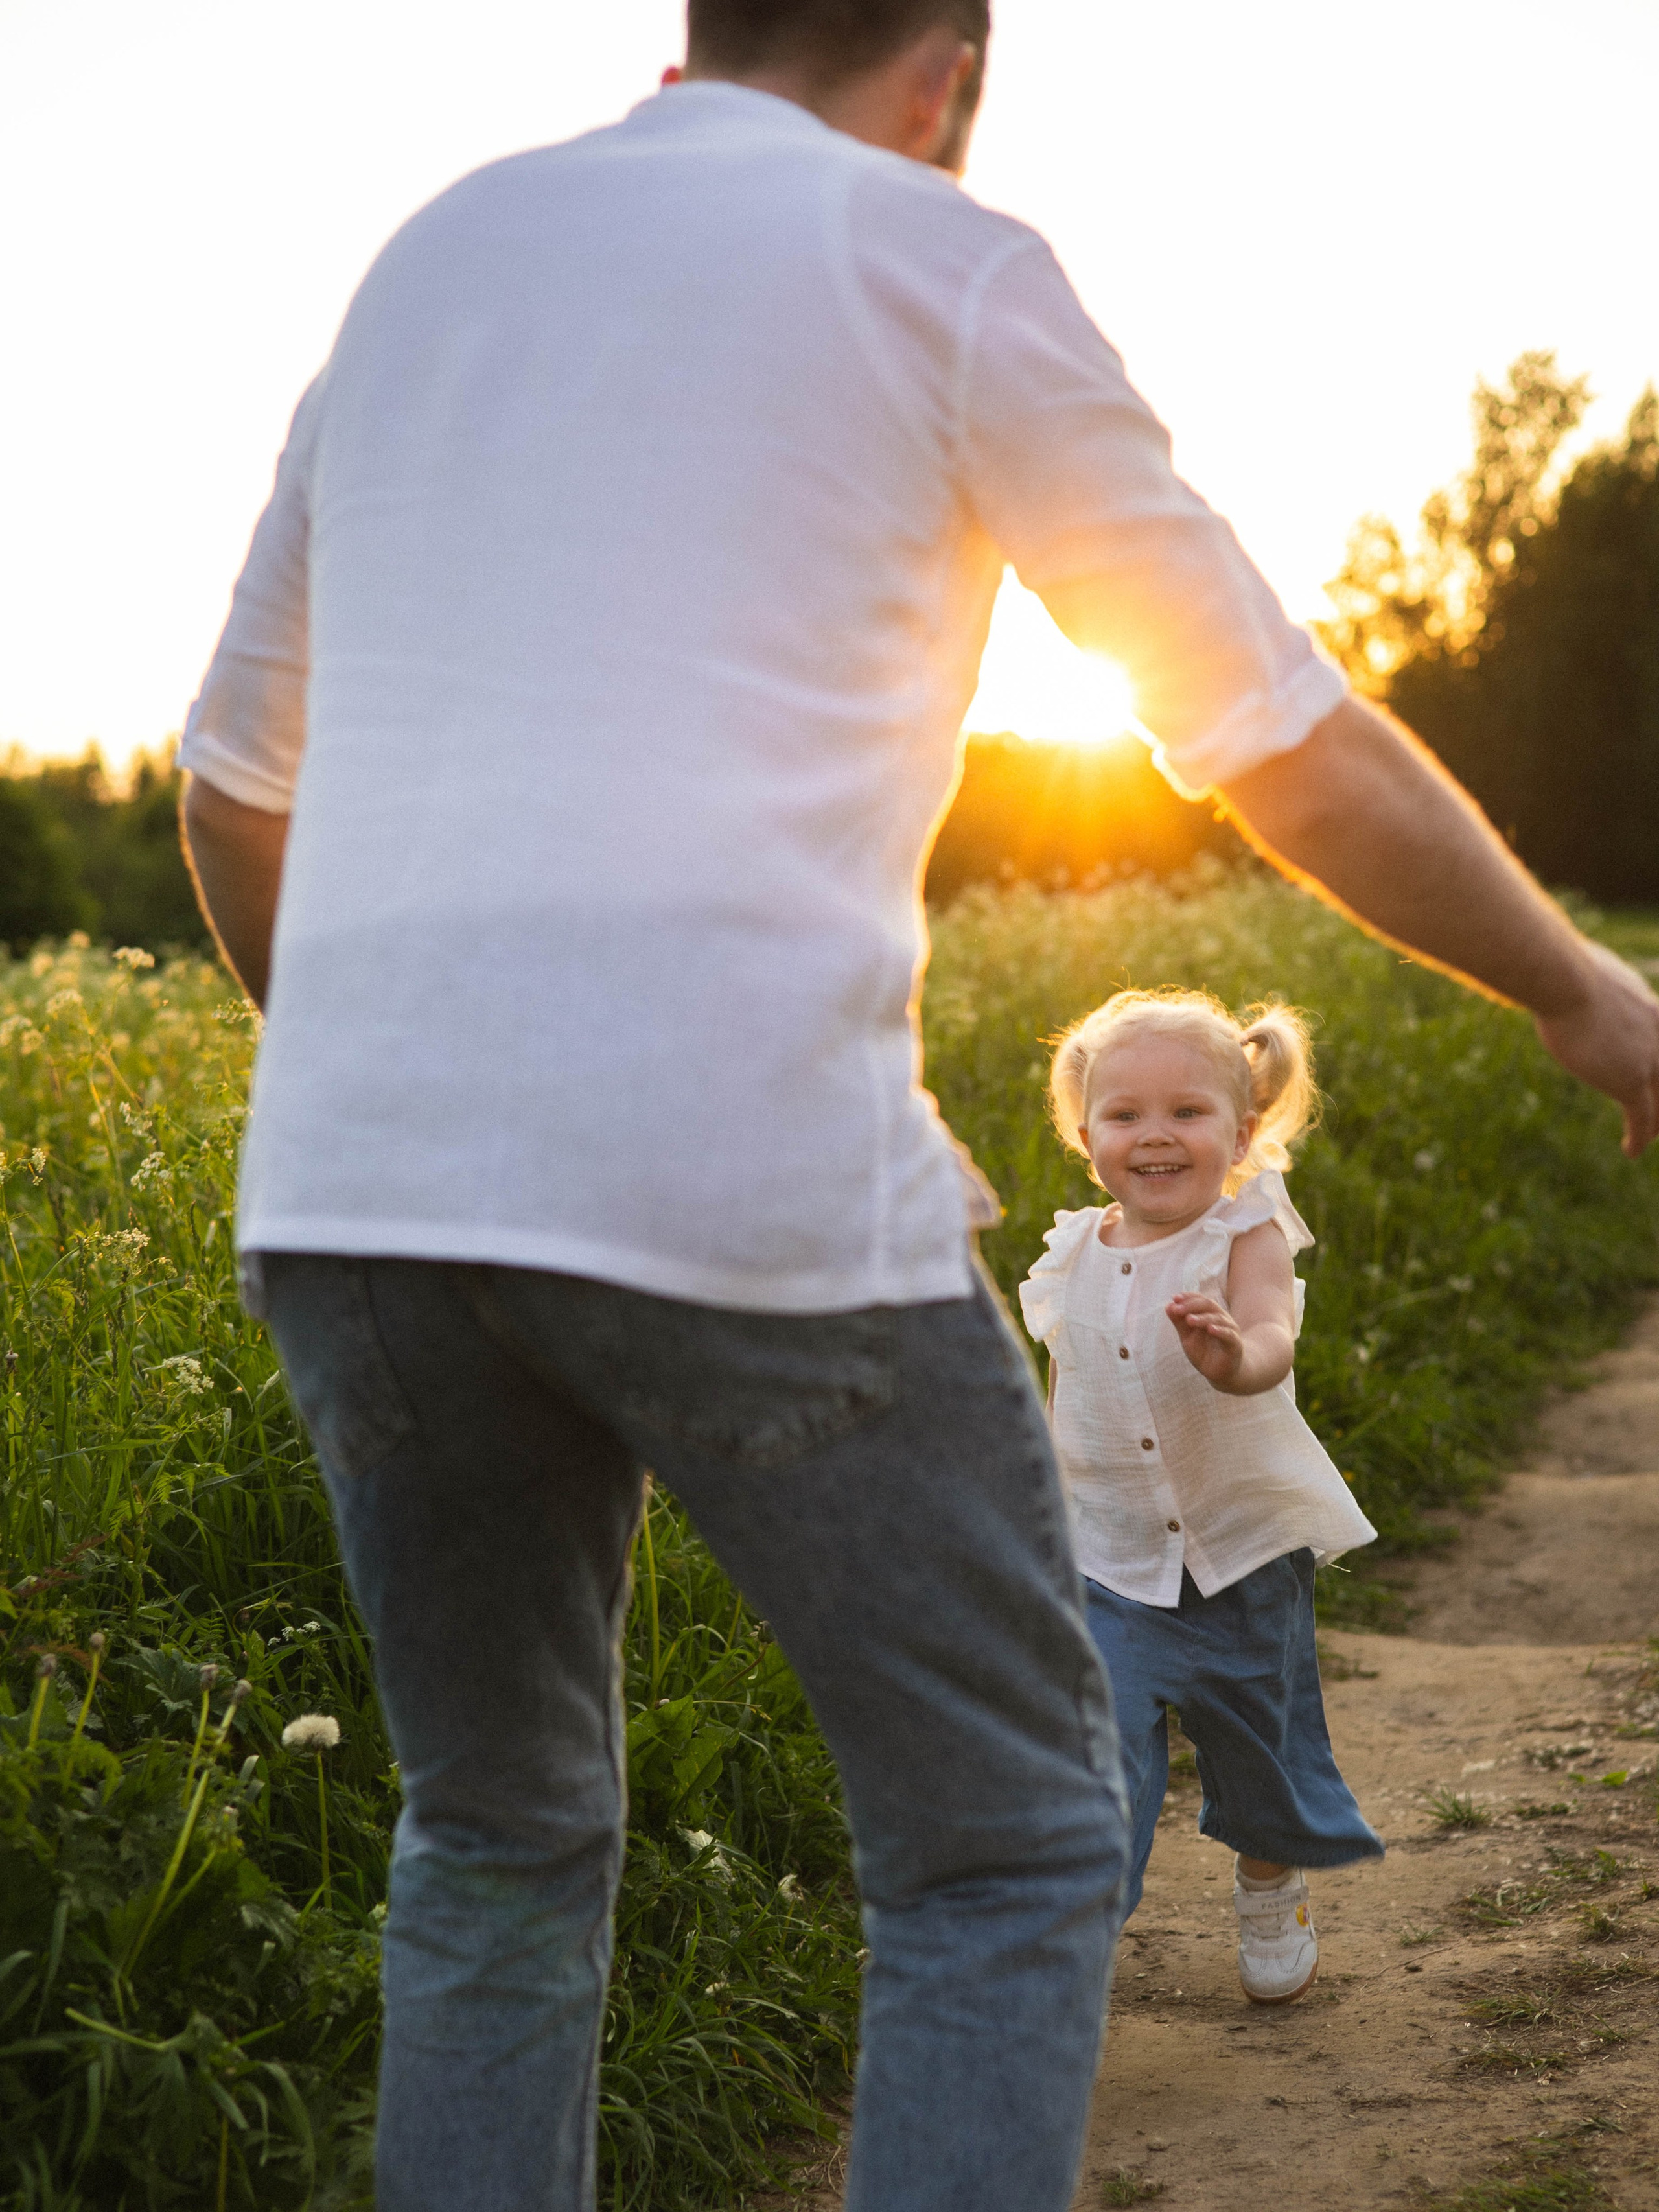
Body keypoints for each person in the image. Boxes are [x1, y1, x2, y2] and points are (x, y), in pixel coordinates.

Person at [174, 1, 1659, 2206]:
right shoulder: (941, 262)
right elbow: (1277, 732)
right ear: (952, 67)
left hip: (350, 1188)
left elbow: (229, 786)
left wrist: (416, 1085)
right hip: (736, 1156)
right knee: (1007, 1833)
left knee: (491, 1831)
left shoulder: (443, 249)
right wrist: (1584, 996)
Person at [1020, 991, 1382, 2008]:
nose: (1156, 1135)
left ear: (1243, 1129)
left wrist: (1234, 1357)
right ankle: (1073, 1944)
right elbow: (1069, 1393)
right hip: (1110, 1564)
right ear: (1083, 1130)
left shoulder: (1246, 1230)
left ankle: (1270, 1880)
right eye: (1125, 1113)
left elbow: (1271, 1335)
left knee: (1259, 1749)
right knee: (1099, 1760)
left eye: (1188, 1111)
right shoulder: (1071, 1253)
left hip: (1239, 1556)